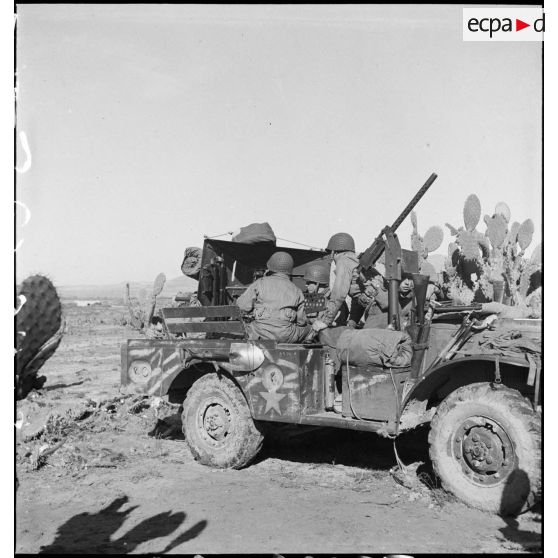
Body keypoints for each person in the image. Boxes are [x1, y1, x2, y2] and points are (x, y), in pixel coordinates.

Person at [236, 251, 311, 343]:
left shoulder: (260, 283)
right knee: (309, 328)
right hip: (286, 336)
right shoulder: (297, 290)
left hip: (259, 333)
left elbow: (242, 306)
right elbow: (301, 321)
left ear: (270, 267)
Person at [311, 232, 359, 334]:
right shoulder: (353, 261)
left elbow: (339, 294)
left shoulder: (344, 260)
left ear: (334, 252)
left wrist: (325, 321)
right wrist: (352, 324)